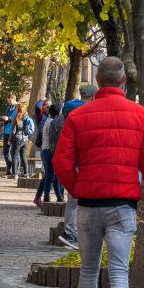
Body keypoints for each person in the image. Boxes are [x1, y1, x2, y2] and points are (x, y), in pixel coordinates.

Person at [52, 57, 144, 288]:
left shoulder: (78, 116)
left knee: (89, 270)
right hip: (122, 203)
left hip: (89, 203)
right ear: (122, 80)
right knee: (119, 271)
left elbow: (61, 161)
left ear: (98, 81)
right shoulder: (141, 115)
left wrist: (76, 187)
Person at [53, 83, 95, 250]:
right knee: (81, 201)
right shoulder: (87, 113)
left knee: (73, 200)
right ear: (92, 97)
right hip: (83, 162)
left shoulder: (67, 111)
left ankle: (70, 232)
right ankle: (74, 234)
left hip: (71, 160)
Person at [35, 104, 65, 207]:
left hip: (45, 150)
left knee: (49, 176)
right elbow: (54, 139)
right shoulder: (53, 122)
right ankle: (47, 197)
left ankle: (56, 196)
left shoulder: (49, 121)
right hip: (49, 151)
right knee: (51, 176)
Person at [6, 106, 35, 179]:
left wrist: (10, 140)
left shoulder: (16, 118)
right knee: (24, 157)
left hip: (17, 139)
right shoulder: (27, 118)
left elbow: (13, 131)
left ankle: (14, 174)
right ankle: (26, 174)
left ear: (17, 110)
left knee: (14, 156)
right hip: (25, 140)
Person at [0, 96, 19, 175]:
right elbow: (6, 118)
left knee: (14, 152)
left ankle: (14, 170)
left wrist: (9, 118)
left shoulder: (18, 108)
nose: (9, 101)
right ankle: (9, 165)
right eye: (8, 100)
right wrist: (3, 122)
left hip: (14, 132)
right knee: (5, 151)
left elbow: (17, 118)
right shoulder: (8, 108)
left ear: (15, 100)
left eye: (10, 100)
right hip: (6, 132)